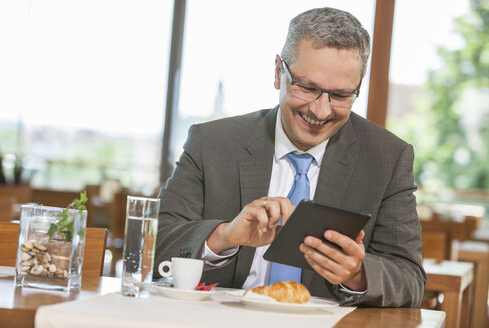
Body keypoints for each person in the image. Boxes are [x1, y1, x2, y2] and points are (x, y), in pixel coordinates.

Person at [155, 7, 425, 307]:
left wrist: (357, 275)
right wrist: (224, 236)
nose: (320, 111)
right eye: (307, 87)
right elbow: (156, 244)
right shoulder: (212, 143)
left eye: (340, 95)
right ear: (277, 72)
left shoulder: (387, 158)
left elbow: (410, 280)